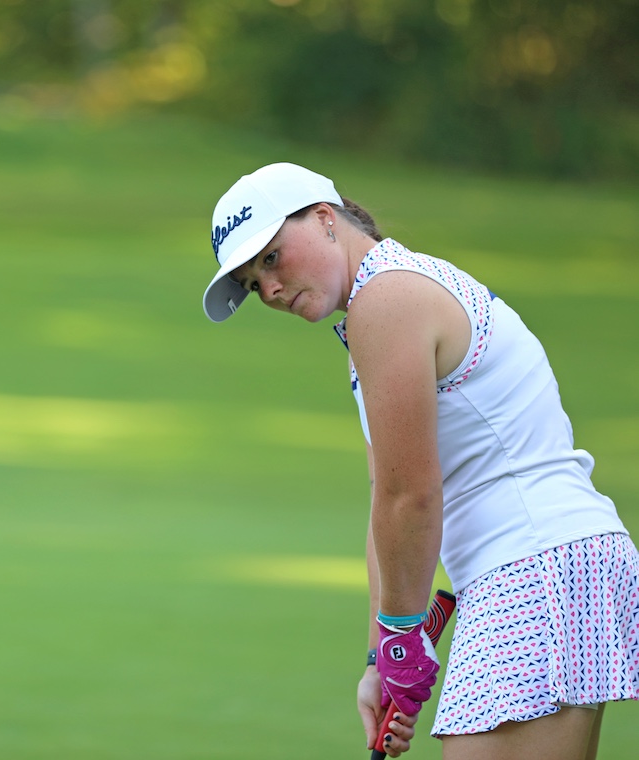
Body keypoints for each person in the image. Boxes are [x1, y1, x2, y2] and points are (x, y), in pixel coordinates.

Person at [200, 162, 639, 760]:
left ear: (326, 219)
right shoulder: (381, 307)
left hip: (534, 566)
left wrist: (403, 634)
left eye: (272, 258)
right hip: (553, 565)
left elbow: (411, 497)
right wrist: (382, 655)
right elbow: (386, 498)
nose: (269, 289)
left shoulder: (387, 300)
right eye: (253, 283)